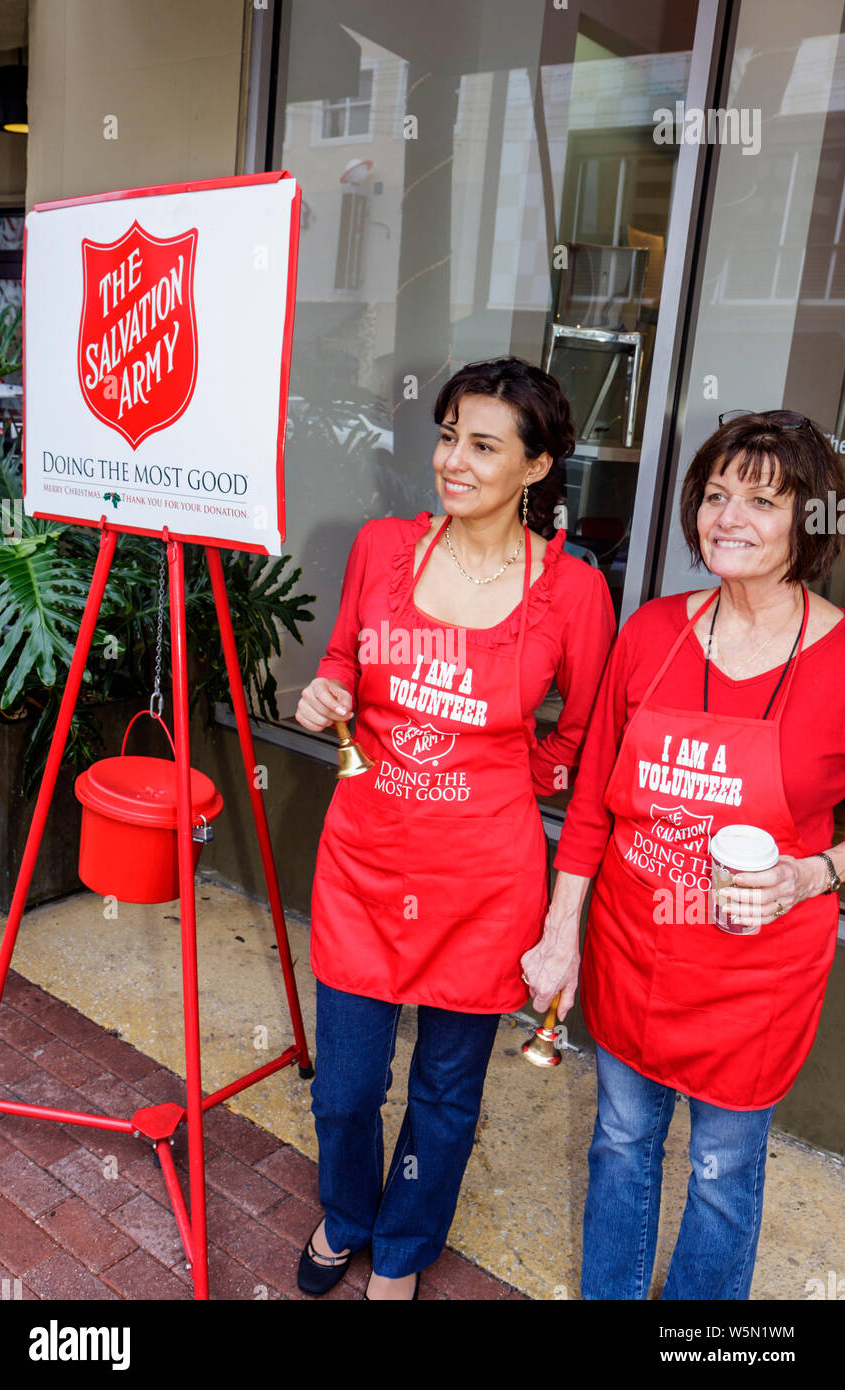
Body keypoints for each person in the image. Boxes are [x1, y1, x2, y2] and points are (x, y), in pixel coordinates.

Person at [294, 356, 615, 1299]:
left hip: (484, 880)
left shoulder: (573, 592)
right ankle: (346, 1211)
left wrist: (515, 779)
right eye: (446, 438)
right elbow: (345, 655)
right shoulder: (382, 548)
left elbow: (586, 732)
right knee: (345, 1087)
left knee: (444, 1093)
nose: (453, 461)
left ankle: (401, 1248)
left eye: (482, 445)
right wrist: (329, 692)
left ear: (536, 466)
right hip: (363, 862)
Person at [522, 408, 845, 1300]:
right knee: (621, 1141)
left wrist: (813, 873)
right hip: (636, 953)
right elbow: (594, 799)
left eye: (762, 501)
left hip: (756, 980)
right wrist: (561, 932)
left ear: (812, 519)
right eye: (714, 495)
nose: (727, 517)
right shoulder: (653, 631)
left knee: (720, 1173)